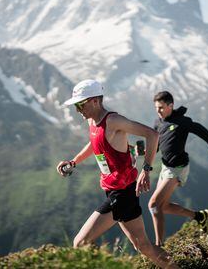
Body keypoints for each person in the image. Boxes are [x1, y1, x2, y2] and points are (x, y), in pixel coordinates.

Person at [56, 79, 178, 268]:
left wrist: (146, 169)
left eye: (81, 104)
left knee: (80, 243)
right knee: (143, 247)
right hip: (117, 190)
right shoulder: (92, 121)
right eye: (76, 106)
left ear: (95, 101)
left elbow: (152, 135)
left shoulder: (113, 121)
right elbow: (94, 144)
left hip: (121, 193)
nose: (78, 110)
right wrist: (74, 161)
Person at [149, 91, 208, 246]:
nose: (158, 111)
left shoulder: (183, 122)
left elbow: (206, 135)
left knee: (153, 204)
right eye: (156, 107)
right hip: (165, 167)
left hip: (178, 168)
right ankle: (199, 216)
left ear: (170, 105)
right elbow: (156, 147)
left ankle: (158, 246)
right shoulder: (158, 123)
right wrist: (138, 151)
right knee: (164, 206)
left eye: (161, 107)